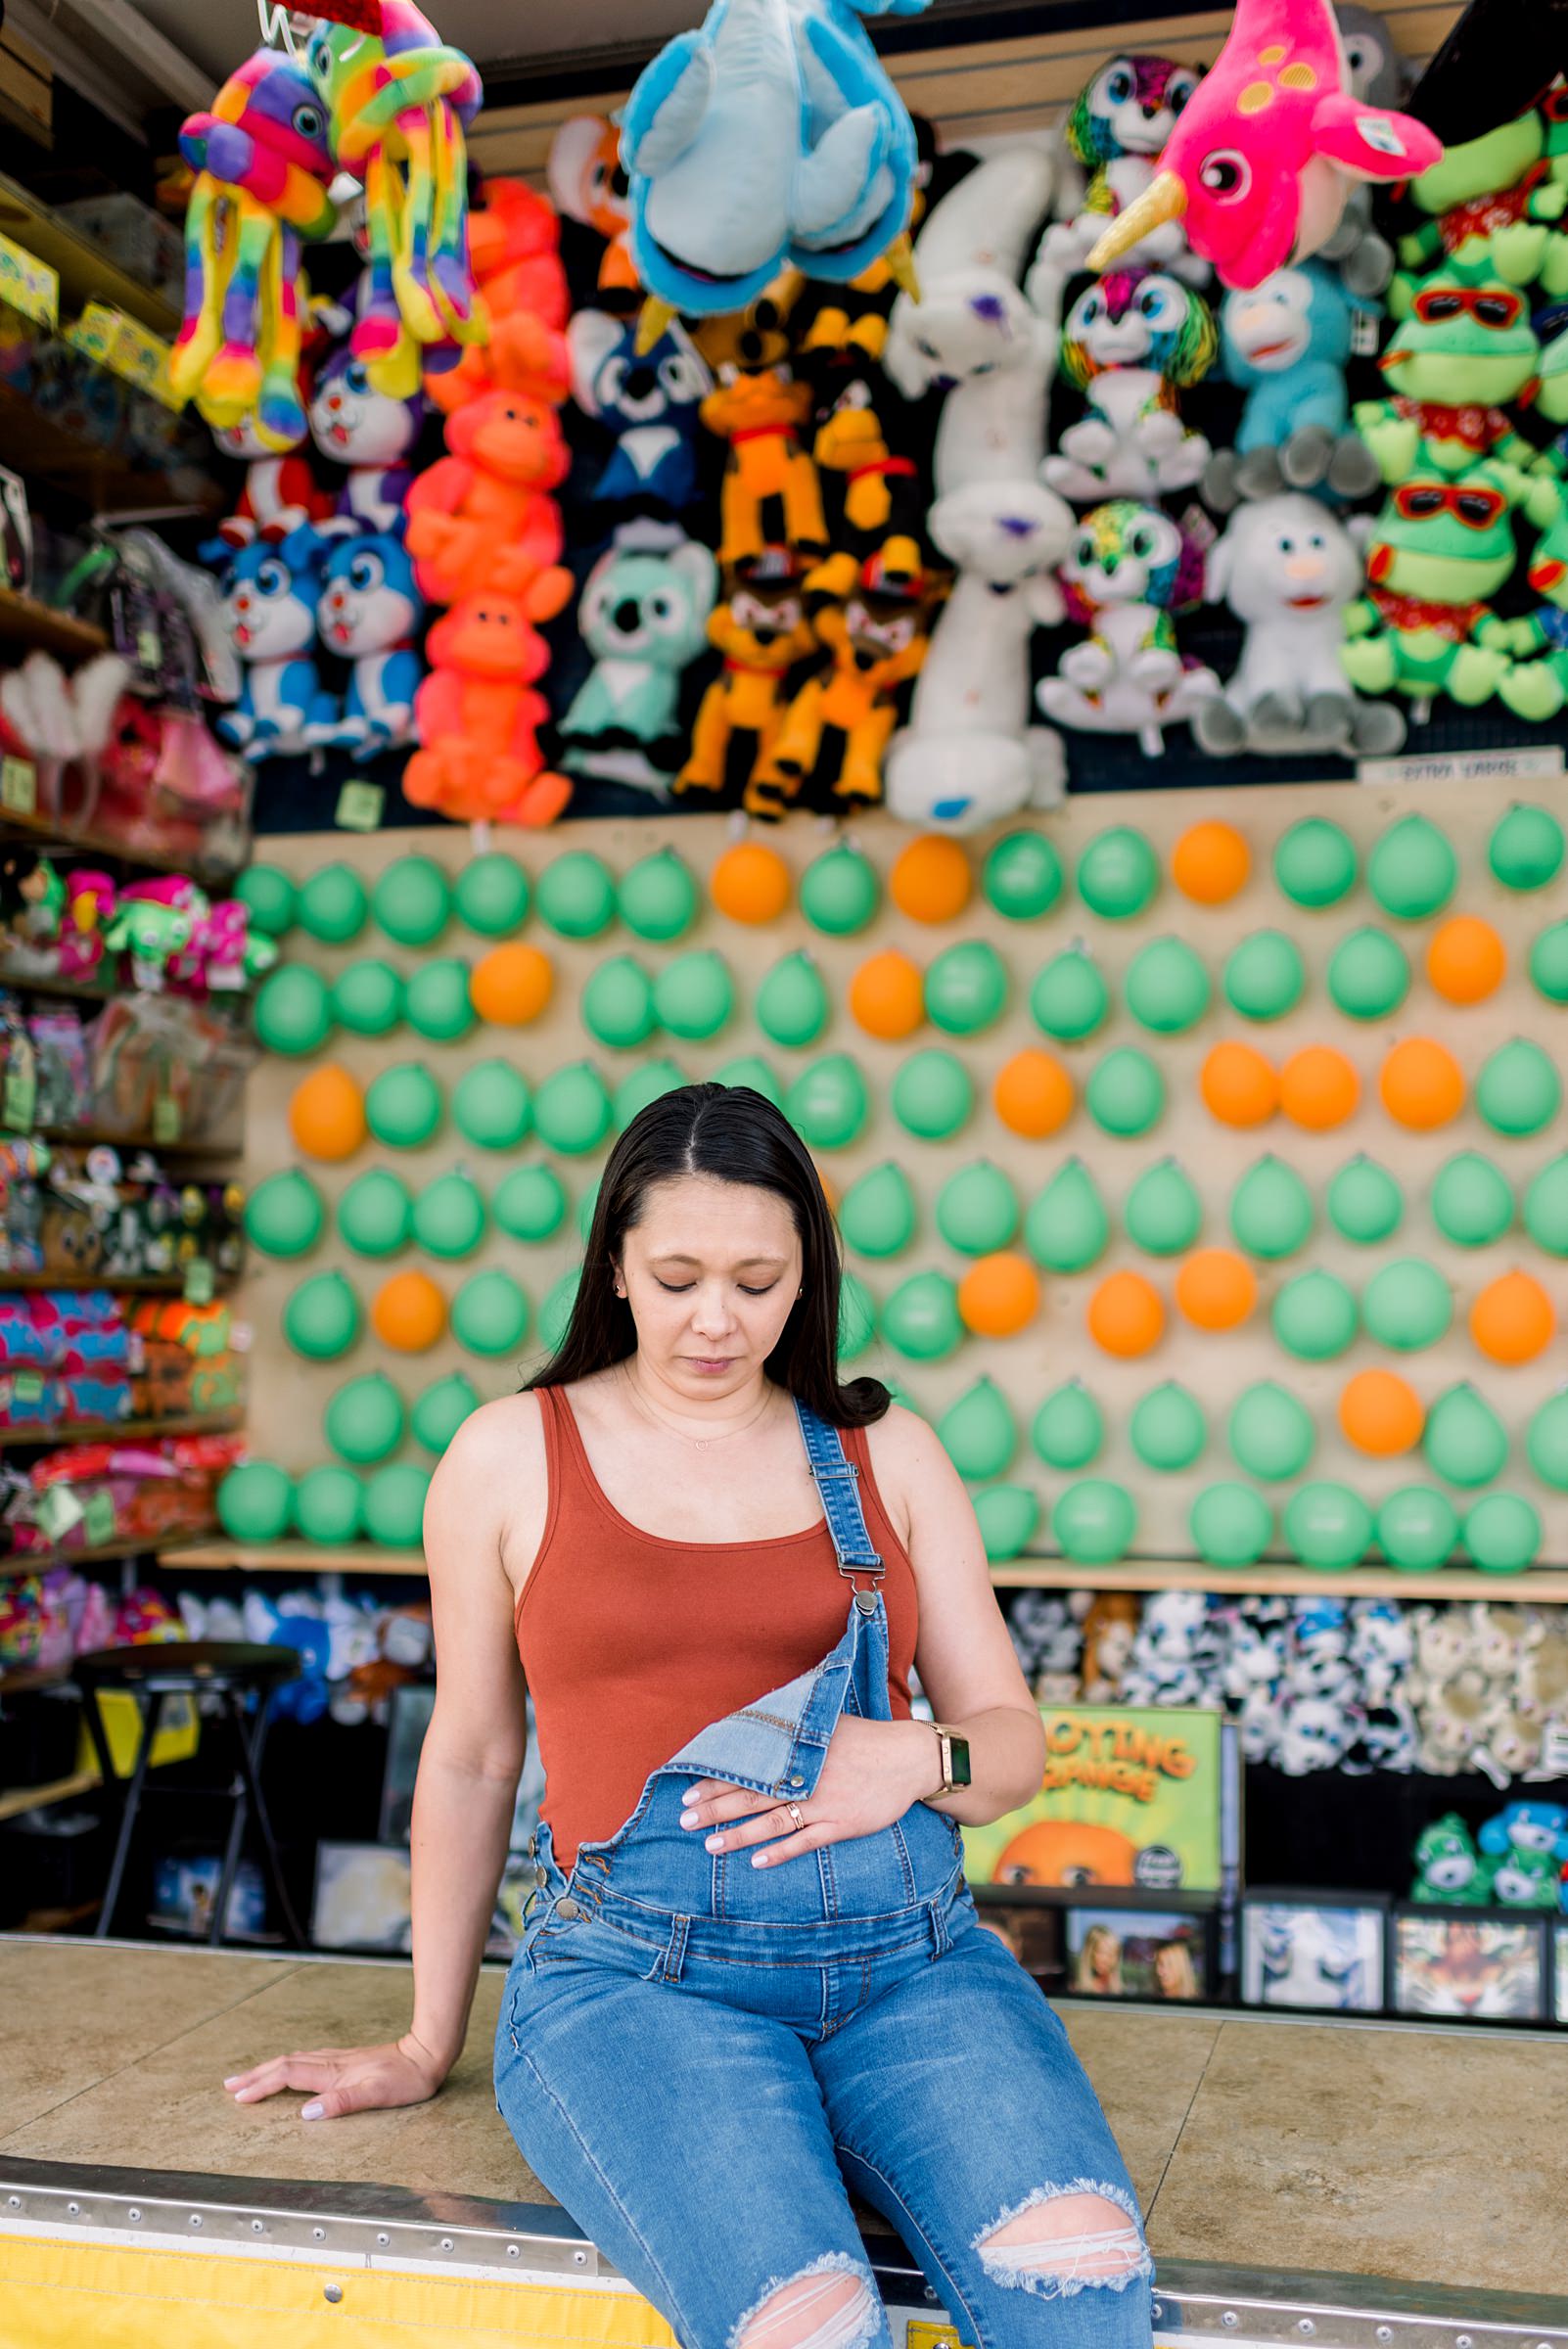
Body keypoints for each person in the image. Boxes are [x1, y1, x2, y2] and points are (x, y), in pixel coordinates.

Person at [223, 1083, 1152, 2348]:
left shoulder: (889, 1453)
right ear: (612, 1265)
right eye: (675, 1277)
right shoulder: (505, 1457)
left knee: (1082, 2291)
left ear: (804, 1279)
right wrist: (426, 2037)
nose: (716, 1320)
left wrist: (918, 1755)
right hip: (636, 1989)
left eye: (758, 1283)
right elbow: (473, 1758)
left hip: (911, 1970)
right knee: (811, 2327)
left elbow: (1013, 1751)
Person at [1075, 1923, 1124, 1997]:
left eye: (1113, 1953)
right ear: (1089, 1953)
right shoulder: (1075, 1991)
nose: (1108, 1959)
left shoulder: (1120, 1991)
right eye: (1102, 1952)